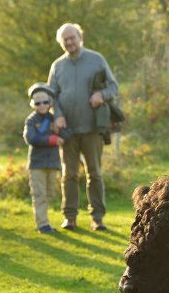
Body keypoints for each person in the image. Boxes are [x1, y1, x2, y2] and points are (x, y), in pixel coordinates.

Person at [48, 22, 119, 232]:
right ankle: (69, 217)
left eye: (72, 37)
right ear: (61, 42)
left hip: (93, 128)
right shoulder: (57, 66)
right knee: (69, 175)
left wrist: (101, 95)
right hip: (67, 131)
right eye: (65, 39)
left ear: (80, 37)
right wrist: (57, 116)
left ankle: (97, 217)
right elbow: (51, 96)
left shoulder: (96, 59)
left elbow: (113, 87)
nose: (69, 42)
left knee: (94, 174)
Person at [23, 83, 69, 234]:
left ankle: (44, 221)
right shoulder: (31, 120)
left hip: (53, 163)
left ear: (50, 102)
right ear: (33, 104)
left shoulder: (54, 118)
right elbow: (31, 138)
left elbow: (67, 136)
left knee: (49, 194)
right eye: (38, 103)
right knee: (39, 195)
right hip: (37, 164)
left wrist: (60, 128)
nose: (42, 105)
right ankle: (43, 224)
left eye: (45, 102)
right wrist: (52, 139)